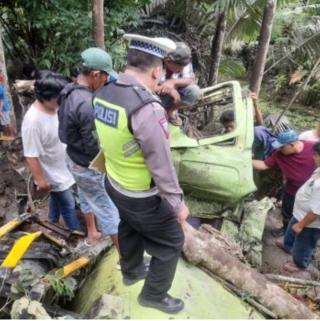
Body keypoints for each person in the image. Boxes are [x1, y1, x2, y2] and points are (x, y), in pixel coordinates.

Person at [93, 34, 189, 313]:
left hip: (114, 182)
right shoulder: (146, 106)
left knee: (129, 224)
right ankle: (154, 295)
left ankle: (132, 270)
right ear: (157, 70)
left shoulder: (105, 92)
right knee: (172, 241)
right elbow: (161, 163)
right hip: (141, 194)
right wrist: (178, 205)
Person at [58, 47, 120, 249]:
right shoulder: (87, 104)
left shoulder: (68, 90)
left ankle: (92, 233)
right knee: (108, 208)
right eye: (104, 77)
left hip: (73, 158)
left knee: (86, 195)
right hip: (88, 165)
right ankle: (125, 258)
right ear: (95, 74)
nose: (105, 81)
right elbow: (93, 146)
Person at [21, 71, 80, 231]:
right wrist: (41, 181)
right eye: (58, 98)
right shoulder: (33, 121)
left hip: (62, 162)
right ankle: (75, 233)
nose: (61, 101)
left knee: (58, 195)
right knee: (68, 203)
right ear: (46, 97)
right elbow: (31, 155)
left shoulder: (55, 107)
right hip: (50, 170)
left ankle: (52, 220)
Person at [253, 129, 316, 233]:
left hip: (311, 190)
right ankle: (286, 230)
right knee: (287, 211)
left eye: (282, 147)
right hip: (291, 189)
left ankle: (302, 233)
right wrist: (246, 159)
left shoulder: (313, 147)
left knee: (307, 213)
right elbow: (264, 165)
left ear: (291, 145)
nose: (279, 149)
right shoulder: (278, 154)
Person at [276, 142, 320, 273]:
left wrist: (301, 225)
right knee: (291, 229)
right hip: (300, 213)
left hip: (310, 222)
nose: (313, 157)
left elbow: (316, 211)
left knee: (304, 243)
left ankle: (300, 263)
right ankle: (287, 244)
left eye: (316, 155)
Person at [156, 42, 201, 126]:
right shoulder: (156, 62)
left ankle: (170, 111)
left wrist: (172, 82)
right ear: (168, 61)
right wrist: (169, 90)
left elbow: (189, 79)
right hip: (155, 96)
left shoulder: (183, 60)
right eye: (180, 66)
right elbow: (145, 85)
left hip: (171, 98)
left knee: (194, 91)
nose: (182, 69)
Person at [0, 69, 15, 140]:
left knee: (7, 122)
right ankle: (7, 135)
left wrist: (0, 110)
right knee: (4, 122)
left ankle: (11, 135)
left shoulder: (0, 87)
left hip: (3, 107)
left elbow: (1, 100)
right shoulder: (1, 84)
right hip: (3, 106)